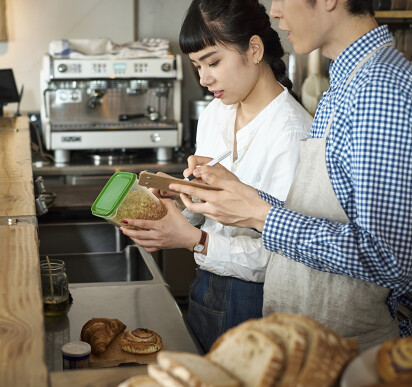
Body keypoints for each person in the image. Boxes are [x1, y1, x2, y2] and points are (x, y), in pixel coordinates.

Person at [169, 0, 412, 351]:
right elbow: (328, 214)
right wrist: (241, 197)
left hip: (357, 347)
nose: (276, 10)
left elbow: (390, 260)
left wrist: (259, 214)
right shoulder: (347, 83)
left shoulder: (378, 90)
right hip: (323, 338)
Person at [119, 0, 313, 352]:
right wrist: (177, 199)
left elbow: (285, 259)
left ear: (254, 49)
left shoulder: (293, 133)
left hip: (261, 305)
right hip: (207, 286)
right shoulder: (215, 114)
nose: (204, 79)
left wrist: (194, 240)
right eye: (197, 66)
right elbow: (206, 211)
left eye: (213, 62)